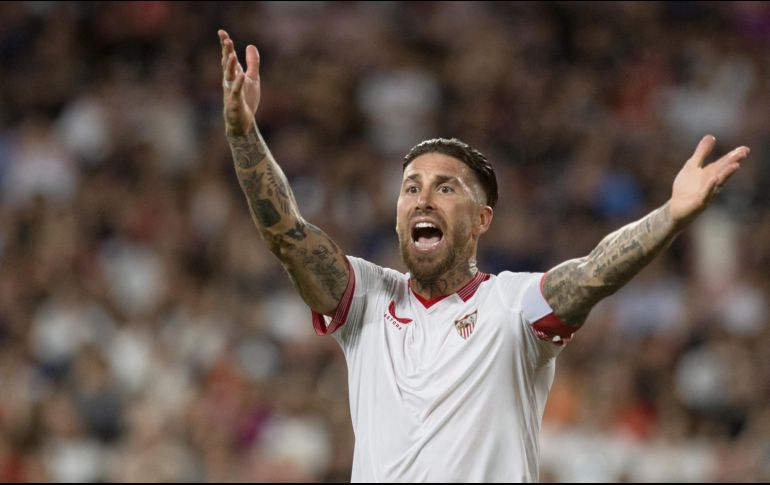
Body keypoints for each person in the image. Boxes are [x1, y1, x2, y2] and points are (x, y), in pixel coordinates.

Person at [217, 29, 750, 482]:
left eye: (446, 188)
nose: (422, 198)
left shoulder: (512, 307)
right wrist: (244, 135)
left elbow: (594, 274)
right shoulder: (365, 300)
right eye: (410, 187)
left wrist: (672, 215)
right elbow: (287, 233)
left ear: (482, 219)